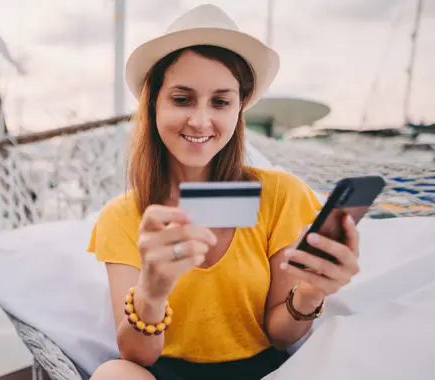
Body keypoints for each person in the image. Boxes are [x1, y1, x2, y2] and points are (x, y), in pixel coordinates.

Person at [87, 4, 361, 380]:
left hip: (260, 372)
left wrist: (312, 291)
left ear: (239, 109)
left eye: (220, 101)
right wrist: (151, 291)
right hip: (164, 372)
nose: (200, 121)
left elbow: (280, 335)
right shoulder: (123, 216)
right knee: (113, 374)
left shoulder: (280, 194)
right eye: (181, 99)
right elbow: (138, 355)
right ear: (153, 105)